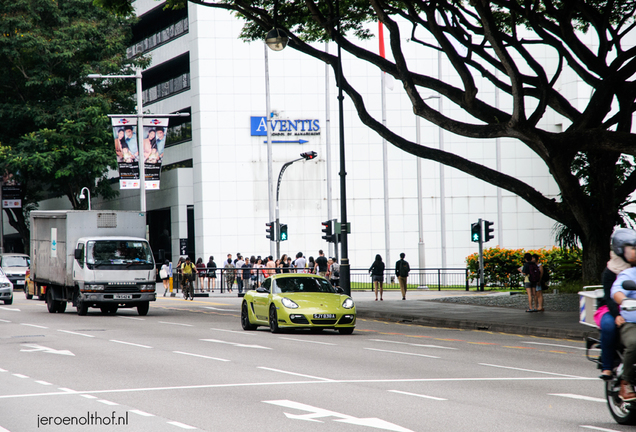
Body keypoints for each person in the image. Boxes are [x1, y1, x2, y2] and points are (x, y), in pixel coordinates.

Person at [605, 229, 636, 397]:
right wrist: (624, 300)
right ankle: (626, 381)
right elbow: (616, 291)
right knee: (634, 343)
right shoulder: (628, 273)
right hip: (632, 321)